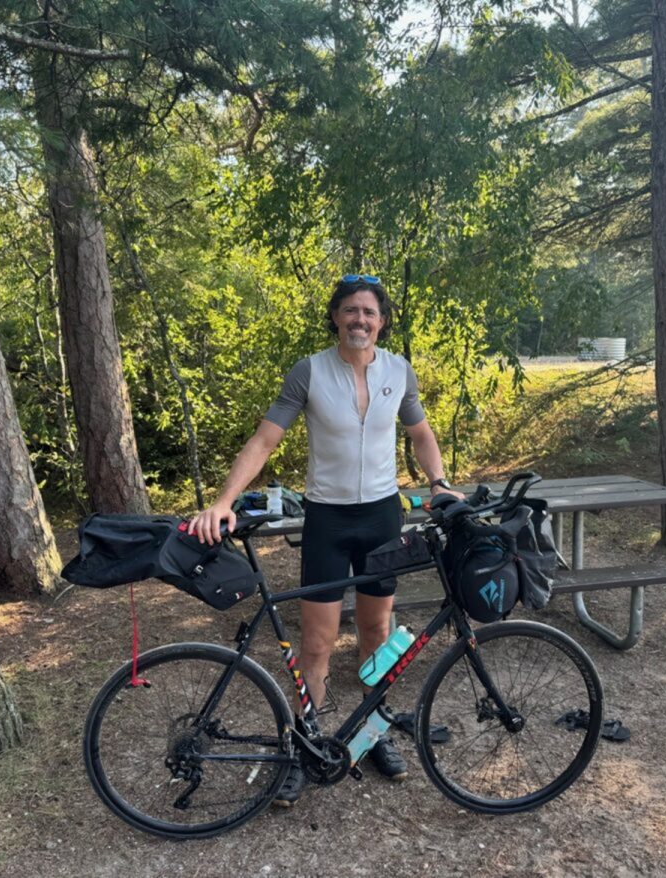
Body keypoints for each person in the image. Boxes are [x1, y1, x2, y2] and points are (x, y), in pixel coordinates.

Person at [189, 273, 462, 807]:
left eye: (370, 312)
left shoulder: (399, 371)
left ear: (381, 322)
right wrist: (224, 500)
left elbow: (421, 433)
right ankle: (304, 746)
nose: (361, 320)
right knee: (315, 643)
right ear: (336, 316)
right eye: (351, 311)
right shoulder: (310, 372)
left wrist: (439, 482)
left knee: (376, 634)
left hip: (382, 517)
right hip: (328, 521)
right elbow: (266, 439)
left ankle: (371, 735)